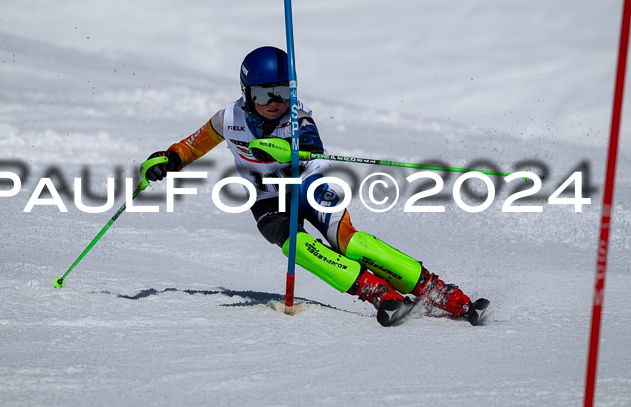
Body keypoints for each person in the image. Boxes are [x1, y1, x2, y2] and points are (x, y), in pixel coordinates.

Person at [145, 46, 489, 326]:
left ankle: (438, 291)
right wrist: (168, 160)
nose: (274, 102)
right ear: (246, 93)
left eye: (282, 90)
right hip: (265, 198)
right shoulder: (228, 119)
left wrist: (288, 149)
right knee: (296, 246)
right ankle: (377, 293)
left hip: (307, 184)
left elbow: (313, 147)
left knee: (349, 242)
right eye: (264, 94)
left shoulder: (297, 115)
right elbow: (192, 146)